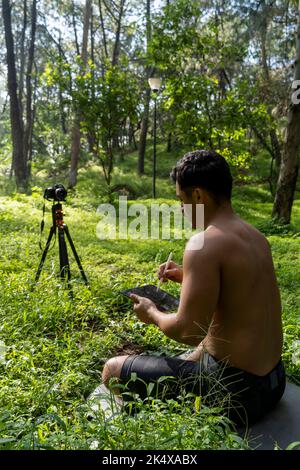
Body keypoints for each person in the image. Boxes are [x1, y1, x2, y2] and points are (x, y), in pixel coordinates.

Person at [102, 149, 286, 426]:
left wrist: (151, 313)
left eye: (180, 199)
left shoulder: (204, 244)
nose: (180, 208)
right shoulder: (256, 237)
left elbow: (187, 331)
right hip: (274, 383)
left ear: (198, 196)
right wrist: (186, 277)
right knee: (203, 344)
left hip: (236, 397)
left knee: (112, 370)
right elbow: (237, 294)